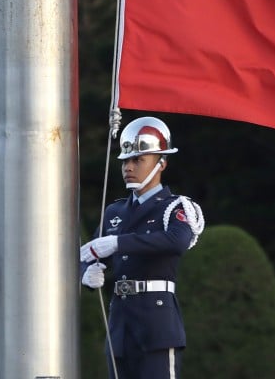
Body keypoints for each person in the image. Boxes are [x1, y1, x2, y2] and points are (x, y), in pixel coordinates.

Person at [80, 116, 204, 379]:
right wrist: (87, 275)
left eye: (138, 160)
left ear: (161, 163)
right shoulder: (115, 211)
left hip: (156, 323)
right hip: (120, 326)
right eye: (126, 160)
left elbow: (177, 241)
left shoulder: (174, 207)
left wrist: (118, 242)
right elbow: (88, 253)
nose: (129, 167)